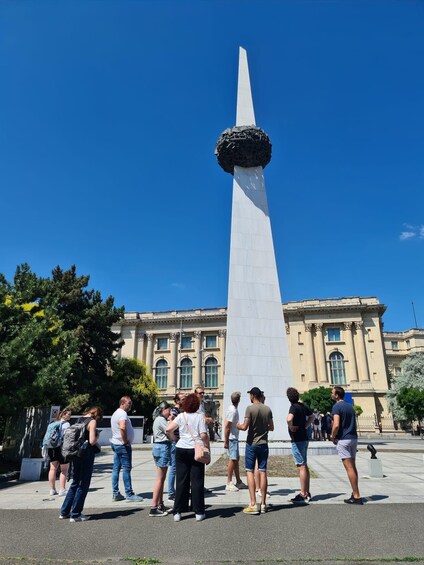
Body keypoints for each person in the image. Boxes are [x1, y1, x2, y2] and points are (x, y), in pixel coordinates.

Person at [166, 393, 210, 522]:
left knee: (181, 480)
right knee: (197, 480)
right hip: (196, 449)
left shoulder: (181, 416)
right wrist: (207, 447)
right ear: (196, 404)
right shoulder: (200, 417)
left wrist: (175, 439)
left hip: (181, 448)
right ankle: (198, 512)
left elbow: (168, 429)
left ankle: (178, 511)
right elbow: (203, 435)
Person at [59, 406, 102, 522]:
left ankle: (64, 511)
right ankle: (76, 513)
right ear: (96, 414)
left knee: (75, 482)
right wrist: (98, 435)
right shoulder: (92, 422)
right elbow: (92, 441)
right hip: (85, 454)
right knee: (83, 483)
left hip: (75, 454)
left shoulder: (79, 419)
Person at [237, 387, 274, 515]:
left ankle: (253, 503)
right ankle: (263, 504)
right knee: (263, 472)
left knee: (250, 471)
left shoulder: (250, 408)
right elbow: (272, 427)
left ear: (253, 395)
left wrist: (238, 426)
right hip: (264, 444)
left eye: (250, 395)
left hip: (252, 444)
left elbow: (245, 427)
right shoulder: (267, 409)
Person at [330, 386, 363, 505]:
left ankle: (356, 495)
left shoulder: (337, 406)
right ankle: (355, 492)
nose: (331, 394)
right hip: (353, 438)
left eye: (332, 392)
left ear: (337, 395)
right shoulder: (350, 406)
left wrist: (333, 436)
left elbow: (336, 424)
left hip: (344, 439)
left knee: (349, 468)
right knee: (353, 467)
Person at [110, 396, 143, 502]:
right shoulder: (122, 414)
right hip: (122, 445)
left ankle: (115, 493)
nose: (130, 405)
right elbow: (122, 427)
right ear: (123, 403)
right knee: (126, 469)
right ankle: (129, 494)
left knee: (116, 468)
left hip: (116, 443)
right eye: (129, 403)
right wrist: (125, 441)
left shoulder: (115, 413)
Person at [286, 387, 314, 503]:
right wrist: (306, 426)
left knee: (301, 466)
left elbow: (289, 418)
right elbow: (312, 416)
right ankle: (307, 492)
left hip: (297, 440)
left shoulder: (293, 407)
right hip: (304, 438)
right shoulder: (302, 406)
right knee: (304, 465)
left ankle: (302, 493)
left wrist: (291, 426)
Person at [150, 402, 172, 516]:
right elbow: (169, 430)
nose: (170, 412)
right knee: (160, 478)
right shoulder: (161, 420)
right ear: (164, 409)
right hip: (162, 446)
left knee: (162, 478)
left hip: (160, 446)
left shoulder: (159, 419)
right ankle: (154, 507)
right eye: (169, 410)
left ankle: (160, 504)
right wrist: (172, 420)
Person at [224, 391, 247, 492]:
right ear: (239, 400)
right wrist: (226, 441)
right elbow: (227, 426)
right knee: (233, 460)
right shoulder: (233, 411)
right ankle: (229, 482)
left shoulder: (232, 409)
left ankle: (238, 481)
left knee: (236, 459)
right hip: (232, 438)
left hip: (234, 437)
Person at [47, 408, 72, 496]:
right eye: (68, 414)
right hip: (62, 448)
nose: (70, 416)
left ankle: (52, 489)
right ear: (63, 415)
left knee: (52, 469)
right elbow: (67, 437)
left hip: (52, 448)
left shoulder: (52, 423)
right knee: (64, 470)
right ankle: (62, 489)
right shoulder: (66, 424)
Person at [167, 392, 185, 502]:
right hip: (175, 442)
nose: (185, 400)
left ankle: (175, 491)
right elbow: (170, 426)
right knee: (173, 468)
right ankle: (171, 492)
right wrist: (174, 439)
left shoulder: (180, 411)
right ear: (177, 401)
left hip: (178, 441)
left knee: (177, 467)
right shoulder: (174, 411)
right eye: (183, 399)